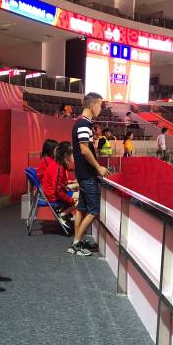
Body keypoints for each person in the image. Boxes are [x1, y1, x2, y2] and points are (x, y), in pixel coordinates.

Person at [68, 92, 110, 256]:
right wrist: (98, 167)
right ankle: (76, 245)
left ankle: (76, 241)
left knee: (81, 209)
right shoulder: (83, 124)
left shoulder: (81, 123)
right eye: (100, 105)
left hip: (83, 174)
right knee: (93, 210)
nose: (101, 108)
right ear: (92, 105)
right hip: (87, 175)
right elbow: (85, 150)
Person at [42, 141, 78, 231]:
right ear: (66, 155)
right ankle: (62, 214)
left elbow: (58, 184)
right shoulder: (59, 167)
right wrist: (70, 200)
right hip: (53, 196)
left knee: (80, 194)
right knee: (82, 200)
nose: (73, 155)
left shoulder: (58, 164)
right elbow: (57, 190)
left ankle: (65, 213)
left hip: (55, 192)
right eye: (71, 153)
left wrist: (68, 183)